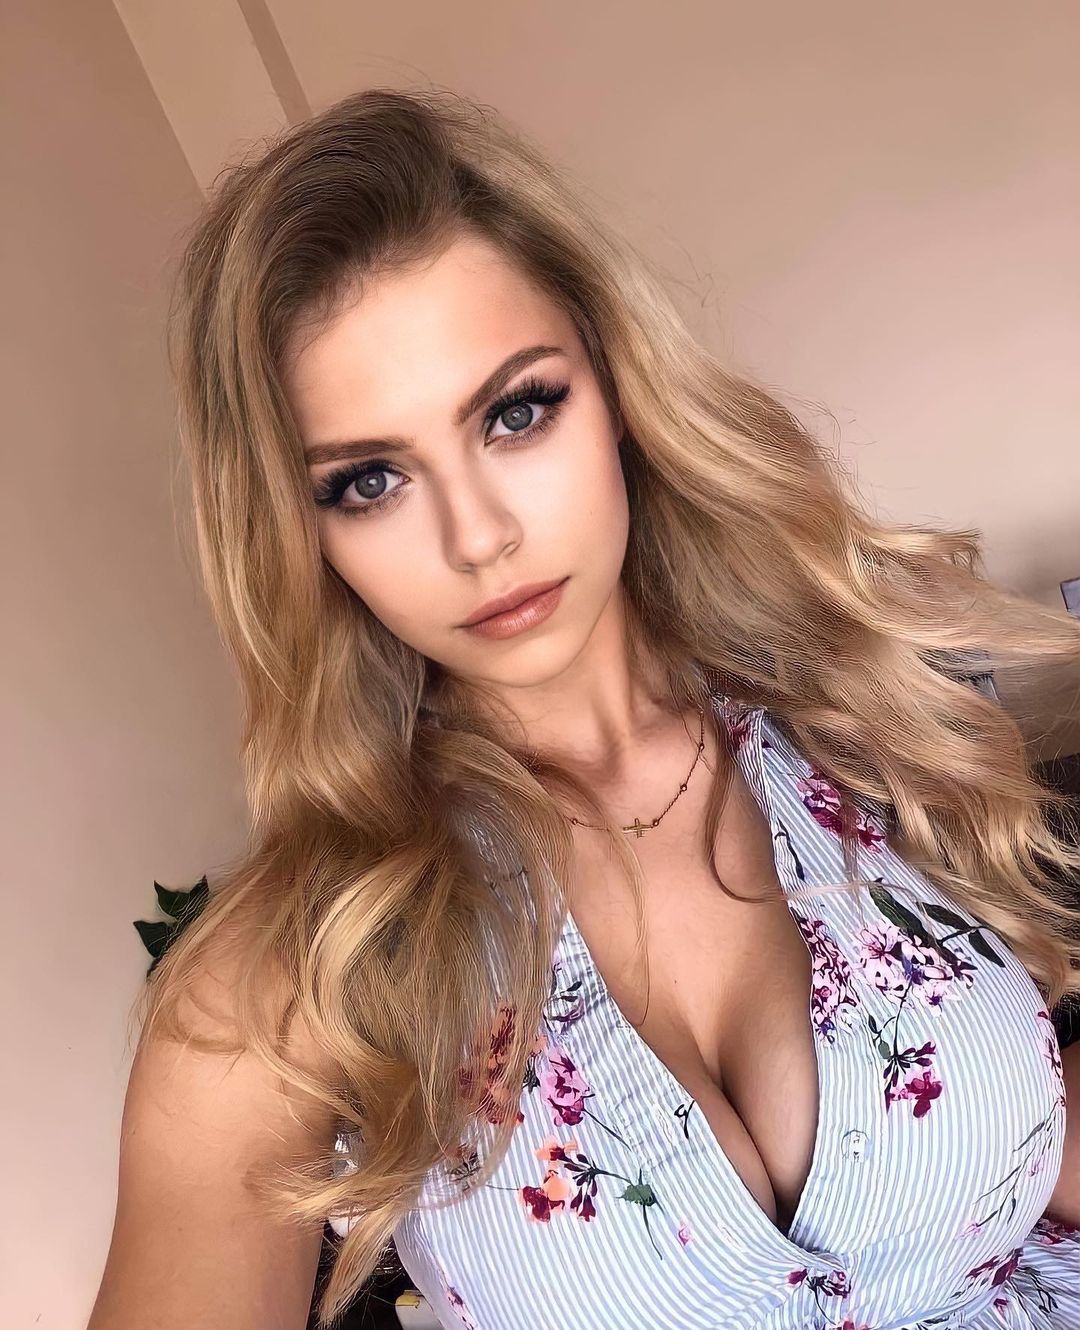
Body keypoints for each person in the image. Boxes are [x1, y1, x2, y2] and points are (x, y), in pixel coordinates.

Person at [88, 86, 1080, 1330]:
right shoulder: (283, 981)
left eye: (517, 412)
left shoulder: (859, 715)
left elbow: (1027, 1141)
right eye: (369, 480)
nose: (479, 536)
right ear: (300, 536)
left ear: (615, 388)